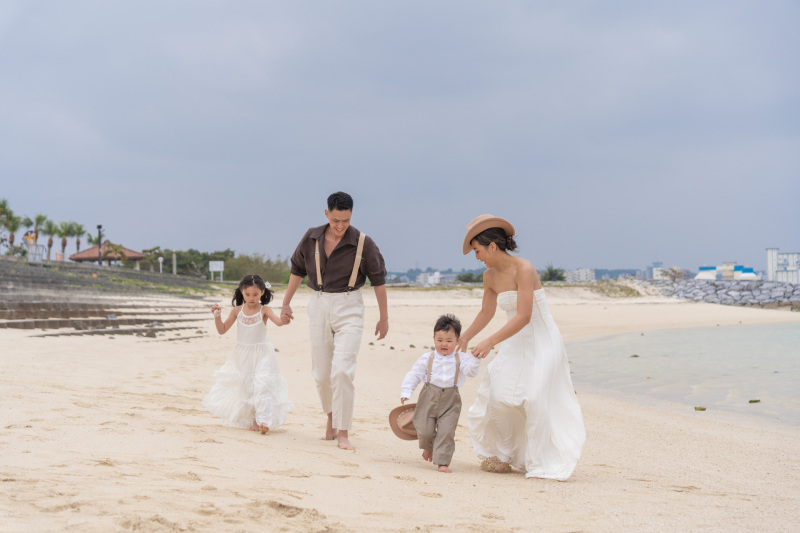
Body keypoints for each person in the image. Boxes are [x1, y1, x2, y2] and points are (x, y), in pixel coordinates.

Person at [456, 215, 585, 480]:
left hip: (542, 340)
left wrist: (491, 341)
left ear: (492, 246)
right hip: (514, 340)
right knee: (499, 396)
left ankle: (540, 461)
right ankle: (506, 455)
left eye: (478, 250)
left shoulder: (524, 269)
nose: (477, 257)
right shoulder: (489, 276)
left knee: (535, 398)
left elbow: (524, 316)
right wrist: (466, 337)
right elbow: (486, 312)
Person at [281, 191, 388, 450]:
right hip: (318, 304)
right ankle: (330, 417)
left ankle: (343, 431)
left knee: (342, 371)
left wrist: (384, 317)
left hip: (350, 306)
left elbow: (379, 281)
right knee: (320, 374)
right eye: (336, 220)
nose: (340, 226)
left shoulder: (364, 243)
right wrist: (286, 303)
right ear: (327, 213)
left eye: (346, 221)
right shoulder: (311, 237)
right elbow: (297, 269)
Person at [203, 274, 292, 434]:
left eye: (256, 294)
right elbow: (222, 330)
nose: (252, 298)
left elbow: (278, 322)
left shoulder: (264, 310)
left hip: (263, 353)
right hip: (243, 354)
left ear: (263, 293)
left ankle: (263, 419)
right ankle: (253, 421)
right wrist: (217, 316)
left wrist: (284, 319)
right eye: (248, 294)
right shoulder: (237, 311)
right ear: (242, 293)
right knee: (248, 387)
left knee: (263, 383)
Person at [399, 314, 480, 473]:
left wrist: (476, 358)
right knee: (425, 429)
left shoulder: (461, 358)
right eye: (440, 340)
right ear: (434, 338)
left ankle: (442, 462)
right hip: (429, 396)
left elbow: (471, 372)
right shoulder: (427, 358)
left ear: (457, 341)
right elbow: (414, 374)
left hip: (451, 400)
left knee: (446, 431)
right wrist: (406, 391)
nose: (444, 344)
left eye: (449, 341)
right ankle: (428, 447)